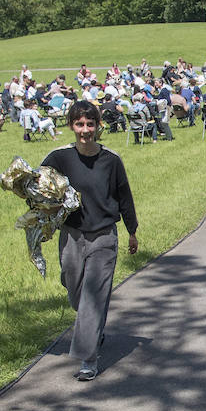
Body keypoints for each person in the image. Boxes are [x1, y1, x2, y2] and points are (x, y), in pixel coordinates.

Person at [42, 101, 139, 381]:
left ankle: (88, 359)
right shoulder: (59, 158)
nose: (85, 130)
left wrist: (132, 230)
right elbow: (40, 186)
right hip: (72, 235)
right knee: (75, 289)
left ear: (98, 126)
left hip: (104, 235)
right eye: (79, 124)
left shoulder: (111, 159)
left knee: (93, 297)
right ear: (72, 126)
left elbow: (124, 196)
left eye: (90, 124)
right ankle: (94, 326)